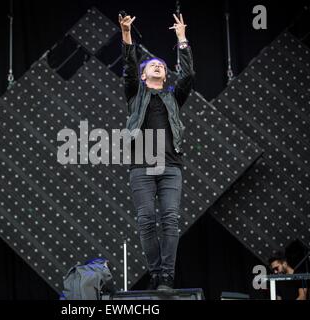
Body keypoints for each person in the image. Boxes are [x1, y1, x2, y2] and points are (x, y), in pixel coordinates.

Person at [119, 12, 195, 290]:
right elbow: (128, 66)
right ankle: (155, 272)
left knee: (171, 220)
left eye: (161, 65)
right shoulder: (134, 94)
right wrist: (126, 34)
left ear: (165, 75)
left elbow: (188, 74)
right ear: (143, 74)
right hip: (141, 167)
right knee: (146, 220)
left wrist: (181, 38)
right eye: (152, 65)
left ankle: (166, 276)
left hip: (171, 167)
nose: (158, 66)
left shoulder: (173, 96)